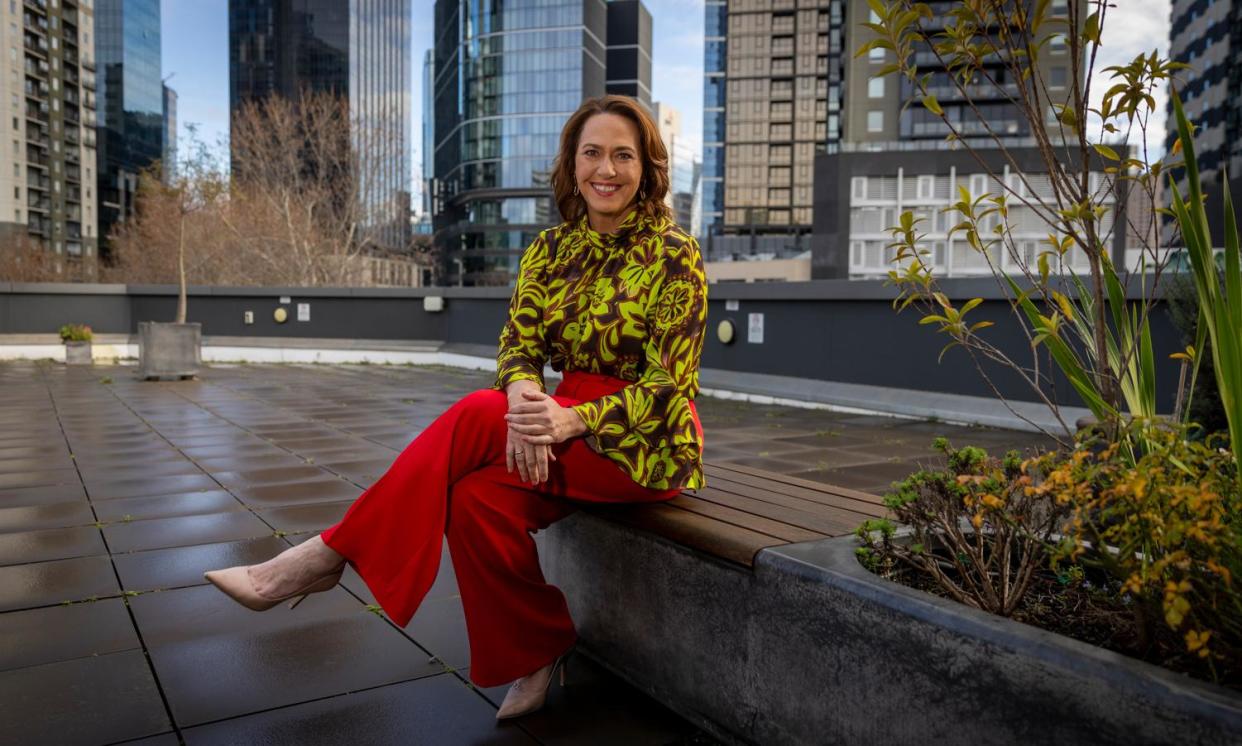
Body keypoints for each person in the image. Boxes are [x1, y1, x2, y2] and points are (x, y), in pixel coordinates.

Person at [204, 94, 708, 721]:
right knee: (474, 502)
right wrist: (526, 396)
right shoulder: (551, 251)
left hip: (643, 446)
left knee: (475, 412)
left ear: (648, 167)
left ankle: (323, 556)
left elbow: (669, 386)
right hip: (554, 426)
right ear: (573, 165)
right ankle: (538, 648)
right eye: (593, 153)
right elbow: (519, 344)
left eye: (623, 155)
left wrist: (570, 418)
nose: (607, 169)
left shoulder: (675, 254)